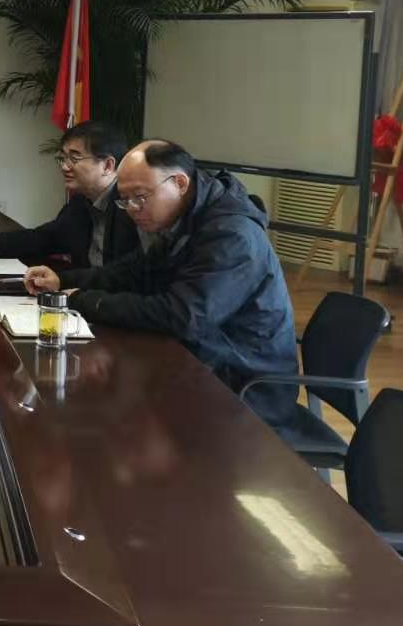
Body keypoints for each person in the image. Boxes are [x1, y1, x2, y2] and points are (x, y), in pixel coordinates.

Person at [24, 140, 298, 425]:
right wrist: (63, 280)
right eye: (125, 199)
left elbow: (183, 316)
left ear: (179, 183)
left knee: (107, 407)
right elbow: (135, 271)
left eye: (140, 197)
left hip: (242, 385)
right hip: (200, 361)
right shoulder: (188, 217)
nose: (132, 208)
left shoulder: (232, 235)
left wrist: (82, 300)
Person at [0, 120, 138, 269]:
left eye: (74, 158)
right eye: (63, 158)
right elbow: (44, 238)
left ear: (107, 166)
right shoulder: (81, 202)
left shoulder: (132, 208)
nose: (64, 166)